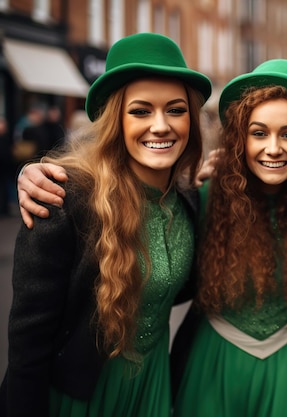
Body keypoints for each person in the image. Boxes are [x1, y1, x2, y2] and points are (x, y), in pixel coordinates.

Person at [0, 32, 212, 417]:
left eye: (176, 110)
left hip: (153, 387)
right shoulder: (64, 199)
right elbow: (27, 347)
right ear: (117, 119)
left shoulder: (188, 199)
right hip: (80, 396)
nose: (161, 125)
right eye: (141, 110)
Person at [169, 59, 287, 416]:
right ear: (240, 139)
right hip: (213, 362)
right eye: (259, 133)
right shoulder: (204, 196)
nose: (274, 148)